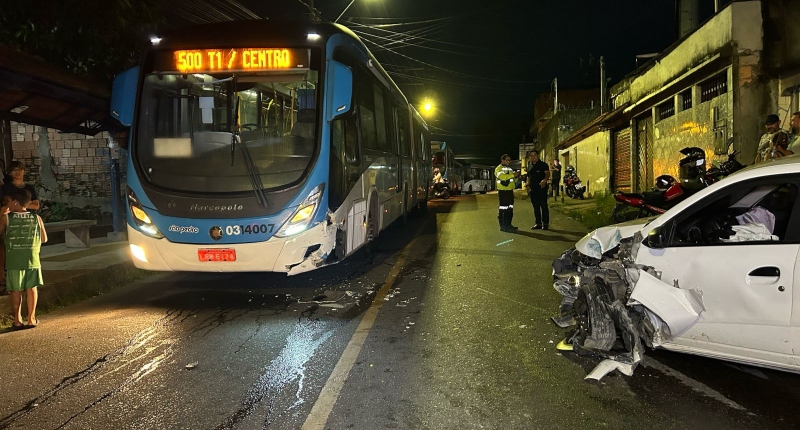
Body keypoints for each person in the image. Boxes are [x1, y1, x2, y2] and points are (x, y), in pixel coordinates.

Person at [0, 189, 47, 329]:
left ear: (15, 202)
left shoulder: (7, 218)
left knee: (15, 289)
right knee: (31, 288)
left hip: (14, 260)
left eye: (9, 202)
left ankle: (17, 320)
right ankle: (32, 319)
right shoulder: (37, 218)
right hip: (32, 259)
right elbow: (44, 238)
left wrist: (3, 213)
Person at [0, 161, 40, 287]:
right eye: (14, 170)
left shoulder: (29, 188)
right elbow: (3, 206)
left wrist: (18, 205)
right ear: (10, 172)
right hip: (9, 220)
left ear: (24, 171)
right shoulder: (5, 188)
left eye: (20, 169)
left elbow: (36, 205)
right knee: (4, 247)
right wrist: (23, 205)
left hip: (26, 221)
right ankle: (2, 275)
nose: (17, 172)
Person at [526, 149, 551, 230]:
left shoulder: (543, 165)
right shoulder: (529, 165)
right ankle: (538, 223)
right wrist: (528, 186)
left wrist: (545, 180)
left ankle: (545, 223)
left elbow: (547, 174)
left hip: (541, 188)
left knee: (543, 206)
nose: (533, 157)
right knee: (535, 207)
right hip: (533, 189)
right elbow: (528, 176)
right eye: (531, 155)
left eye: (534, 155)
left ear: (538, 156)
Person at [495, 154, 519, 232]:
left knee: (510, 208)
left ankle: (509, 224)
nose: (508, 161)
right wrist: (513, 175)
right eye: (507, 160)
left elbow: (513, 180)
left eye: (509, 160)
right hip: (503, 191)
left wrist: (517, 178)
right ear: (502, 160)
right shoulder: (498, 169)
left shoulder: (510, 169)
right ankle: (503, 226)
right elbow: (502, 177)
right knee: (503, 209)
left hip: (510, 191)